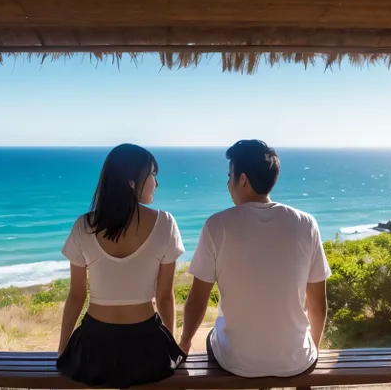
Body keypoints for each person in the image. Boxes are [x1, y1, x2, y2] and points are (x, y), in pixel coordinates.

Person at [179, 139, 330, 377]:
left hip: (235, 362)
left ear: (243, 180)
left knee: (213, 336)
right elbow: (318, 303)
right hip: (296, 360)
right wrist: (312, 350)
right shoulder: (306, 223)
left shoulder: (217, 226)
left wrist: (184, 343)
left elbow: (198, 299)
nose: (228, 184)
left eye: (229, 176)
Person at [56, 144, 185, 388]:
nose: (156, 184)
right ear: (132, 182)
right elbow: (165, 296)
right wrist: (171, 346)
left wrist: (63, 348)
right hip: (147, 346)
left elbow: (76, 295)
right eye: (152, 175)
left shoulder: (83, 226)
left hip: (94, 347)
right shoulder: (165, 223)